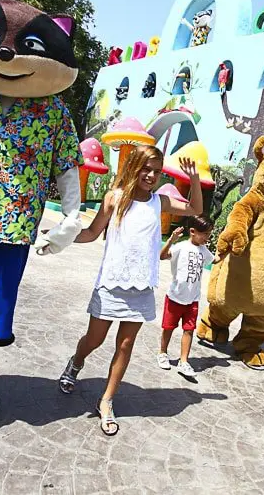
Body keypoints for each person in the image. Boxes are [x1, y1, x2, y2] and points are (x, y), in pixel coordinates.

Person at [52, 145, 203, 436]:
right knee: (95, 339)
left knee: (125, 344)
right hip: (112, 282)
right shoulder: (115, 198)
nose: (151, 175)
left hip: (141, 286)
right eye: (146, 168)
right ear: (133, 166)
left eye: (157, 171)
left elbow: (195, 208)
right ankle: (76, 361)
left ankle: (106, 400)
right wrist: (60, 240)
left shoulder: (160, 202)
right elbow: (92, 233)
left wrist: (194, 179)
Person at [157, 216, 214, 378]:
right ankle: (162, 353)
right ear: (192, 232)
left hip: (193, 300)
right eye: (205, 234)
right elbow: (162, 256)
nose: (207, 238)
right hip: (175, 297)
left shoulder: (204, 251)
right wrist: (171, 240)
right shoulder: (180, 247)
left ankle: (184, 361)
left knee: (188, 330)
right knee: (168, 328)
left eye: (209, 234)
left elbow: (214, 260)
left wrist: (228, 249)